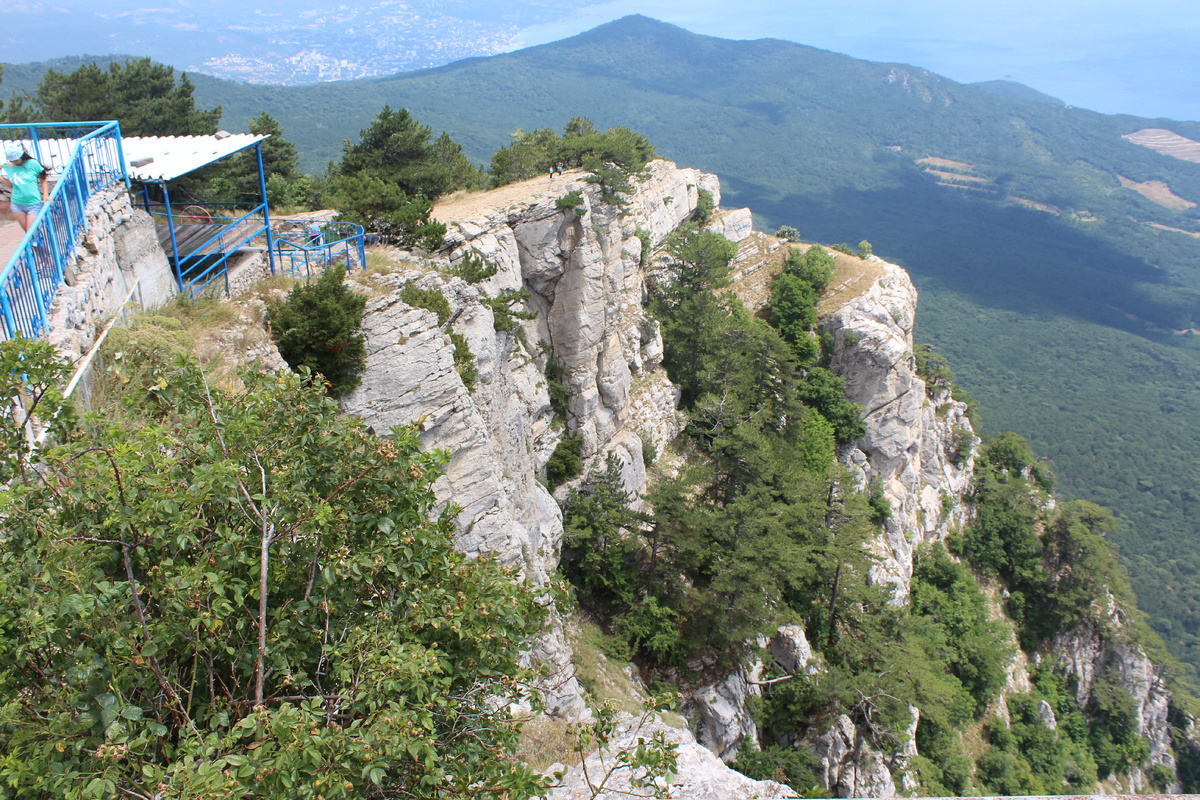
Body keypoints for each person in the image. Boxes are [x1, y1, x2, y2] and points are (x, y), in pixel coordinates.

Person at [1, 141, 50, 232]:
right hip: (17, 204)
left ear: (21, 156)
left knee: (31, 232)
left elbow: (43, 179)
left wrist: (45, 195)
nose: (14, 163)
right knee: (28, 233)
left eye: (16, 160)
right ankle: (39, 241)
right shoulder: (10, 166)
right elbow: (11, 186)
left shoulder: (33, 163)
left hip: (33, 204)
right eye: (12, 161)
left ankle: (41, 241)